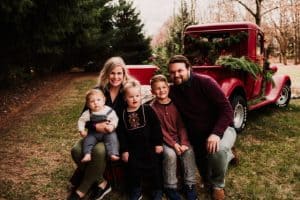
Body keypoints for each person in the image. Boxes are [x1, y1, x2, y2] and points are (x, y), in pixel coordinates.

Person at [167, 55, 237, 200]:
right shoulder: (172, 91)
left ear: (189, 69)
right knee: (205, 172)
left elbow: (227, 110)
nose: (176, 75)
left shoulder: (205, 82)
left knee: (217, 150)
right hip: (197, 137)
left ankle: (218, 185)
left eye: (180, 70)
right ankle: (226, 158)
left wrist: (216, 133)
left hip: (221, 129)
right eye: (172, 72)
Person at [69, 56, 132, 200]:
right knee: (76, 150)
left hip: (114, 135)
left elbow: (128, 118)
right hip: (93, 133)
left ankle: (81, 190)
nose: (116, 77)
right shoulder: (98, 91)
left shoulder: (126, 92)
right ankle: (102, 182)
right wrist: (96, 126)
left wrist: (111, 127)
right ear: (106, 73)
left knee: (98, 151)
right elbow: (85, 118)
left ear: (124, 74)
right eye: (112, 73)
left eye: (119, 73)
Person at [150, 74, 198, 200]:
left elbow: (181, 125)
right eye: (158, 88)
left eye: (164, 87)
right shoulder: (152, 108)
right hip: (163, 140)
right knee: (170, 155)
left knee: (188, 151)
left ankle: (190, 184)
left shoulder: (175, 104)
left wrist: (183, 142)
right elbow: (159, 130)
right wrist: (174, 144)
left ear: (168, 88)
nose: (161, 90)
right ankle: (170, 187)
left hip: (179, 138)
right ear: (152, 91)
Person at [118, 79, 164, 200]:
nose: (135, 99)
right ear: (125, 98)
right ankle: (136, 189)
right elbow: (121, 133)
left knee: (155, 167)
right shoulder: (122, 114)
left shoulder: (147, 109)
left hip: (149, 145)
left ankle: (157, 189)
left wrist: (158, 143)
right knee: (133, 169)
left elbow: (156, 126)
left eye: (137, 96)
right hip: (133, 149)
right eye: (131, 96)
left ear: (141, 96)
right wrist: (124, 150)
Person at [78, 89, 119, 163]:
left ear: (104, 100)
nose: (96, 103)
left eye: (98, 100)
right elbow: (81, 120)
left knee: (112, 139)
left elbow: (115, 119)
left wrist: (112, 126)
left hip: (107, 132)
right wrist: (81, 130)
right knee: (88, 140)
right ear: (88, 104)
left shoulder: (108, 110)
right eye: (92, 101)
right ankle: (87, 154)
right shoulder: (88, 113)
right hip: (93, 133)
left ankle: (112, 154)